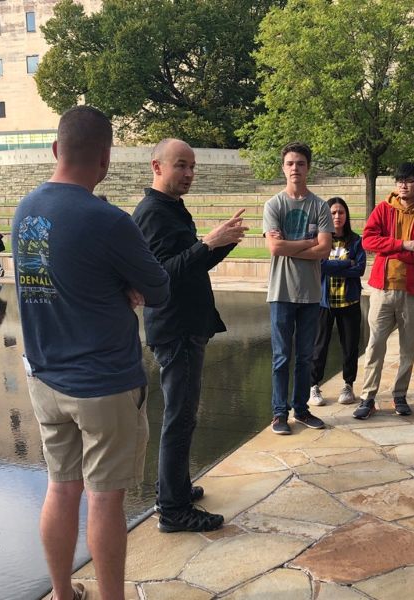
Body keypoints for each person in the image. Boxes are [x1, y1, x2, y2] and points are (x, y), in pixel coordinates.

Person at [13, 105, 170, 600]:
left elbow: (56, 278)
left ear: (57, 149)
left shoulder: (25, 211)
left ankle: (63, 594)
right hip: (103, 383)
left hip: (45, 379)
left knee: (61, 488)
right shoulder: (108, 220)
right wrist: (125, 285)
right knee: (105, 499)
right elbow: (159, 288)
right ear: (104, 160)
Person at [132, 138, 246, 532]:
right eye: (181, 165)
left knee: (184, 416)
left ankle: (176, 488)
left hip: (187, 325)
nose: (189, 174)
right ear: (157, 167)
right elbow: (161, 275)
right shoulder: (151, 213)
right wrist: (208, 243)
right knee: (179, 418)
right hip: (175, 328)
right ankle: (172, 509)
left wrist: (222, 244)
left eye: (192, 167)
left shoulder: (172, 208)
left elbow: (191, 265)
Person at [353, 162, 414, 420]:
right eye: (400, 180)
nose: (403, 185)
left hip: (413, 291)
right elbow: (367, 241)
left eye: (410, 180)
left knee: (408, 347)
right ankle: (368, 397)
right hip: (382, 288)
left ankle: (399, 395)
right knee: (375, 344)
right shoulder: (383, 208)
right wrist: (404, 244)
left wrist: (391, 248)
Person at [264, 141, 333, 435]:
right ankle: (280, 413)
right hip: (280, 292)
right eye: (290, 163)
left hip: (309, 294)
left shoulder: (319, 206)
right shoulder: (274, 205)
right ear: (283, 168)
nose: (295, 168)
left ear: (308, 168)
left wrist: (290, 246)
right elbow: (274, 247)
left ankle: (301, 409)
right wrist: (309, 241)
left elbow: (325, 249)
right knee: (282, 356)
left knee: (305, 356)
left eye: (300, 164)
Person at [309, 197, 367, 407]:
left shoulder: (356, 241)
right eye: (332, 213)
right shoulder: (320, 240)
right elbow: (321, 267)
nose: (337, 216)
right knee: (319, 346)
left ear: (346, 215)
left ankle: (348, 385)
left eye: (340, 212)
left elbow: (359, 269)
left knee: (350, 346)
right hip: (324, 302)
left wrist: (338, 265)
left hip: (348, 301)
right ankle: (314, 386)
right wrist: (346, 263)